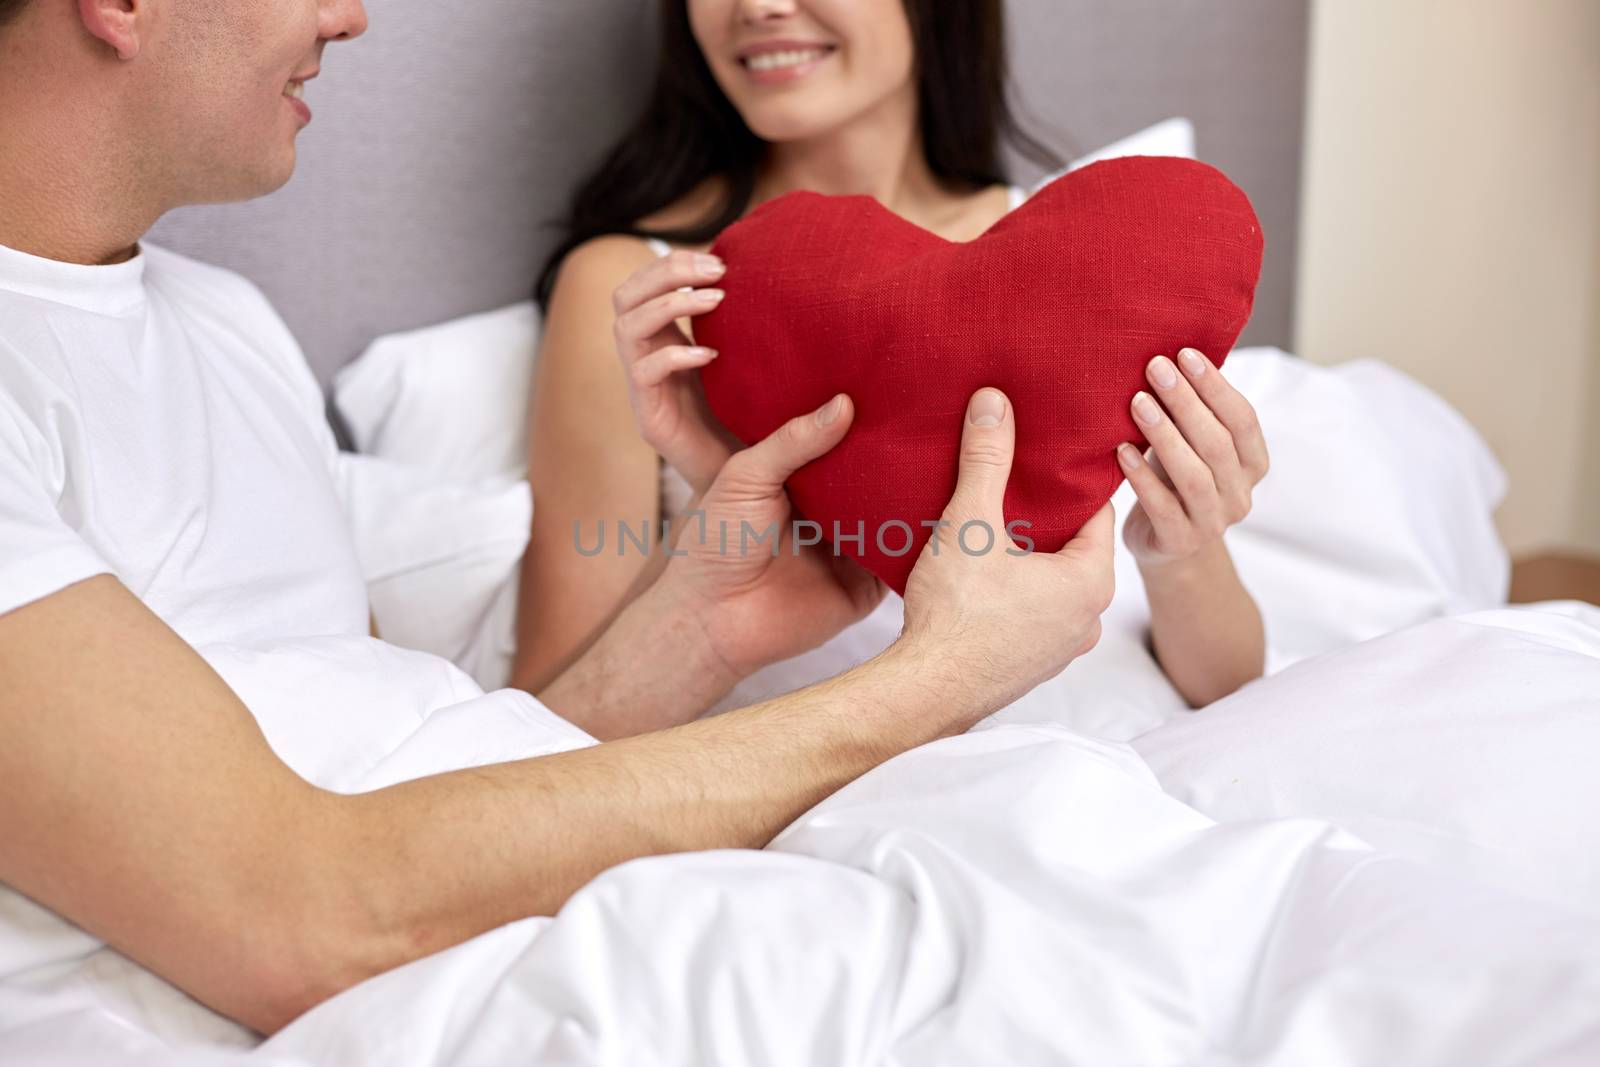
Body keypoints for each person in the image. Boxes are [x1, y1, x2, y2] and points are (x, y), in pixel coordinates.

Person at [0, 0, 1115, 1037]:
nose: (351, 15)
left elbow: (410, 793)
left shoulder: (225, 324)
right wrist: (936, 679)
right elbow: (299, 910)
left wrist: (699, 625)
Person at [514, 0, 1271, 718]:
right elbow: (541, 727)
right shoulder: (656, 295)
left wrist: (1180, 552)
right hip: (796, 771)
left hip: (1084, 756)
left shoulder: (1100, 261)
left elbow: (1229, 690)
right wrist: (710, 533)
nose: (760, 5)